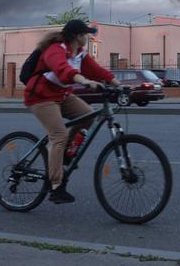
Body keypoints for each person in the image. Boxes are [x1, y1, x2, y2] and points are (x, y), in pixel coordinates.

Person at [24, 19, 120, 204]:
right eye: (86, 34)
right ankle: (56, 186)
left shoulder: (79, 54)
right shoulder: (55, 49)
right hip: (41, 96)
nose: (88, 37)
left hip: (62, 95)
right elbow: (63, 70)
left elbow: (99, 71)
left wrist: (121, 86)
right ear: (77, 36)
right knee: (58, 136)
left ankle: (65, 151)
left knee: (88, 116)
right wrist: (84, 81)